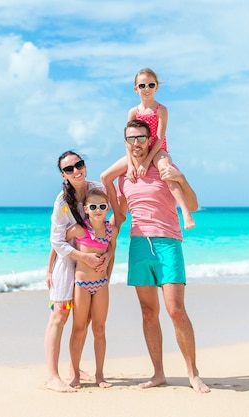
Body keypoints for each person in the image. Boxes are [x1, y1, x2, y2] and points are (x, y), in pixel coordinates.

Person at [108, 119, 210, 393]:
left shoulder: (164, 166)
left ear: (150, 138)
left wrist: (182, 179)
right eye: (131, 138)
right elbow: (119, 214)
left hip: (168, 243)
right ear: (126, 142)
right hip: (139, 244)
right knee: (147, 312)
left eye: (141, 137)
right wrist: (105, 240)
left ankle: (193, 373)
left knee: (176, 311)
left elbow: (193, 204)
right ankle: (158, 373)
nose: (137, 143)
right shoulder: (123, 178)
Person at [44, 151, 112, 393]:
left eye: (79, 164)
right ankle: (53, 376)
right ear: (63, 175)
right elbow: (58, 240)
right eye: (69, 169)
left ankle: (76, 370)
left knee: (86, 321)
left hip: (92, 266)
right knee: (60, 315)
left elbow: (109, 223)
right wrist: (57, 264)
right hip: (70, 262)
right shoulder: (62, 203)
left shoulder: (97, 189)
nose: (76, 170)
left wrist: (106, 259)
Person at [100, 68, 195, 229]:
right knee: (105, 176)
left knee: (166, 172)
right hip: (136, 151)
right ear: (136, 89)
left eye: (151, 85)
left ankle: (186, 213)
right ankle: (117, 212)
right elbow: (129, 139)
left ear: (156, 87)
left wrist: (146, 163)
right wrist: (131, 165)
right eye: (142, 85)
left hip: (157, 150)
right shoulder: (133, 112)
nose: (147, 89)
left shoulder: (161, 110)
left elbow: (158, 138)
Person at [65, 188, 114, 389]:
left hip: (101, 285)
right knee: (78, 328)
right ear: (86, 208)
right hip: (82, 285)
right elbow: (58, 245)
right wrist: (49, 271)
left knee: (99, 329)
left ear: (108, 208)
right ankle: (74, 374)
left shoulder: (111, 230)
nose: (97, 210)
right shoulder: (79, 229)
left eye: (102, 206)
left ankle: (100, 375)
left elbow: (112, 249)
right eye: (93, 206)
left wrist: (108, 267)